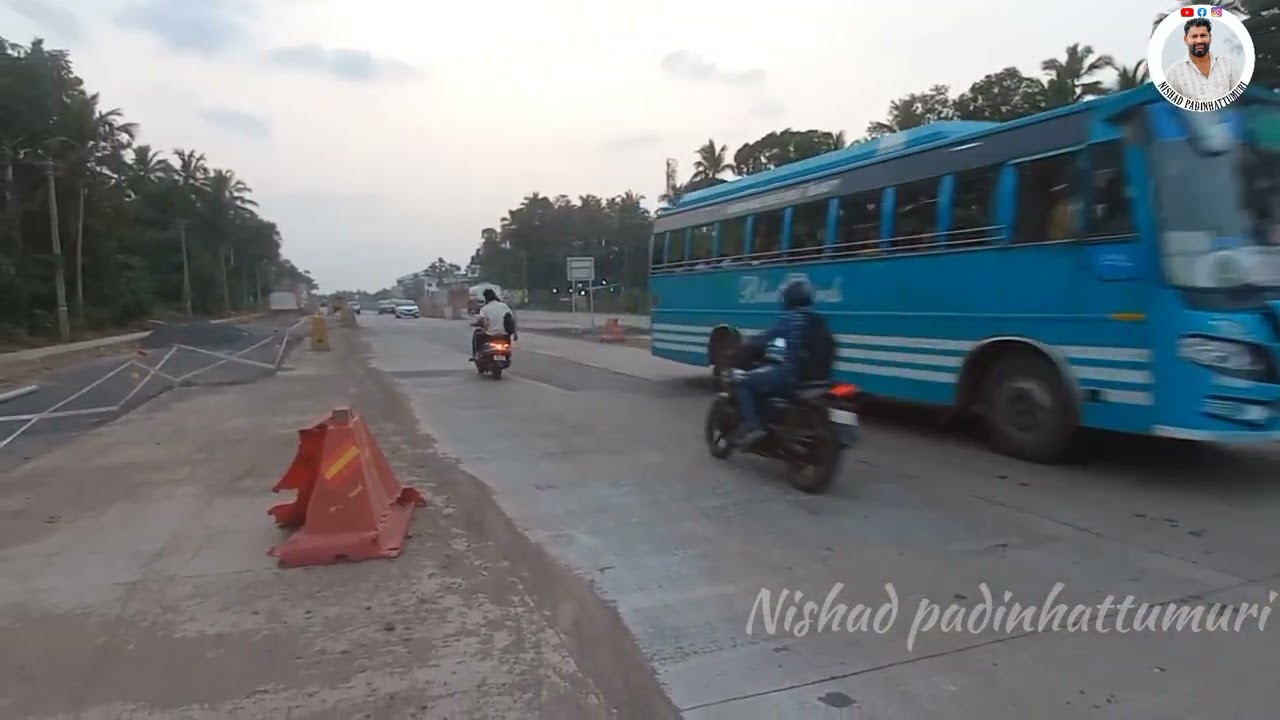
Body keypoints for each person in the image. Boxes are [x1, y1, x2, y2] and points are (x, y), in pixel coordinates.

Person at [734, 278, 827, 448]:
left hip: (792, 376)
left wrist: (746, 341)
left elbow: (767, 337)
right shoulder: (818, 320)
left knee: (745, 382)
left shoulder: (792, 318)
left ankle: (755, 428)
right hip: (818, 380)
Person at [1164, 19, 1241, 103]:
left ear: (1210, 38)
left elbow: (1240, 97)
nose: (1199, 41)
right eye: (1194, 36)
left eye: (1203, 35)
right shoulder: (1172, 74)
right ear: (1186, 39)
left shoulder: (1227, 65)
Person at [472, 288, 516, 357]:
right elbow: (512, 319)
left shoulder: (485, 309)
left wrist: (476, 324)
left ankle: (476, 355)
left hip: (490, 334)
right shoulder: (504, 306)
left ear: (486, 298)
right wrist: (514, 333)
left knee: (477, 335)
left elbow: (483, 322)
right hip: (505, 334)